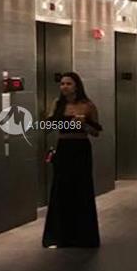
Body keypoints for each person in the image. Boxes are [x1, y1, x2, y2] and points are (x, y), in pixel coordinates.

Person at [42, 72, 102, 248]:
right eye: (62, 84)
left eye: (68, 84)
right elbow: (47, 127)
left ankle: (83, 237)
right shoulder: (58, 104)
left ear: (77, 86)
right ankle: (59, 236)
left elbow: (96, 132)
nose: (64, 87)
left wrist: (83, 124)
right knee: (61, 190)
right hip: (64, 149)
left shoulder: (88, 105)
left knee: (82, 189)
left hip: (80, 149)